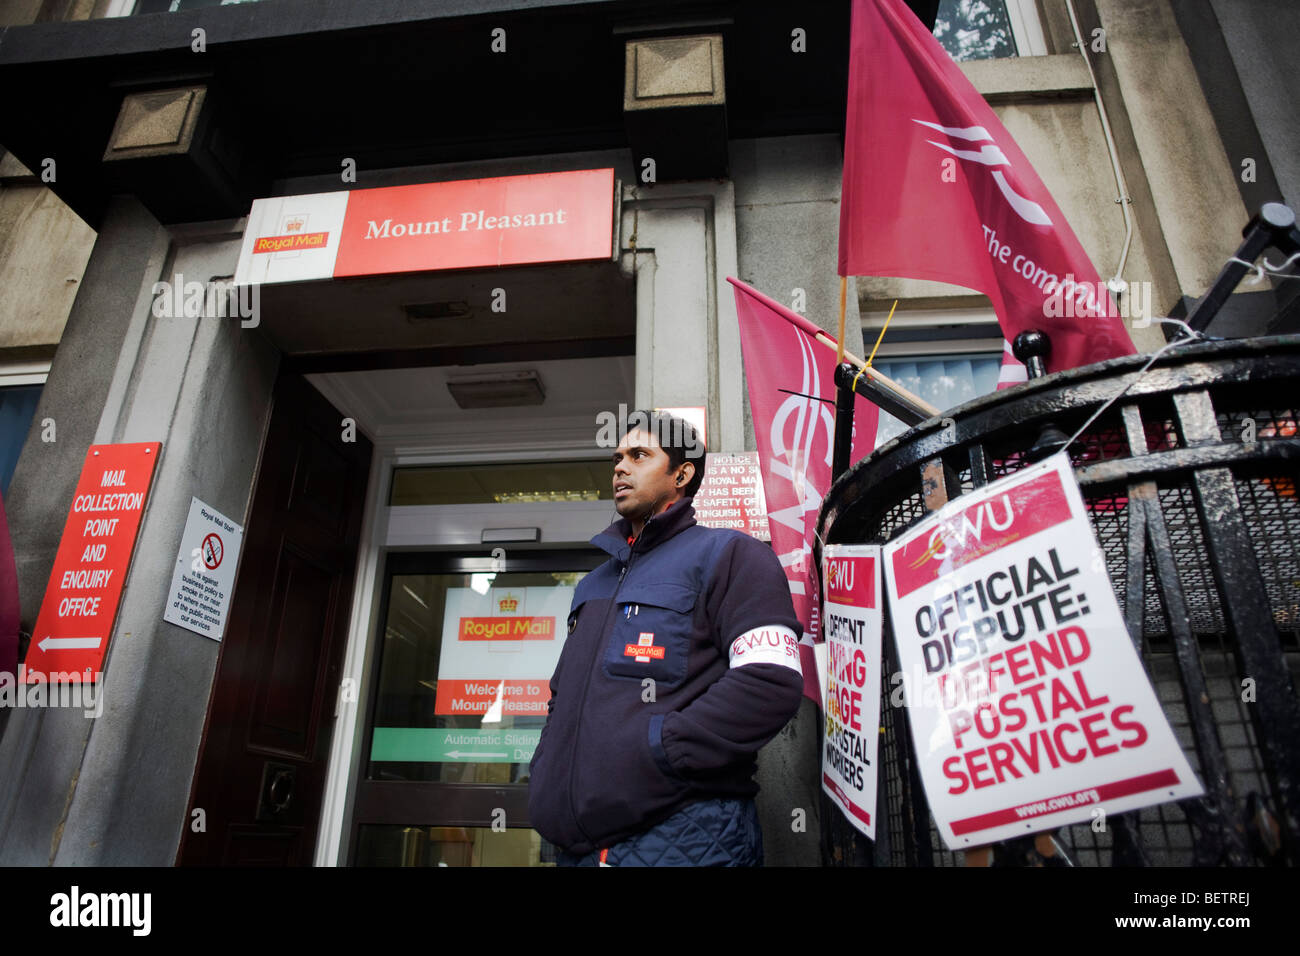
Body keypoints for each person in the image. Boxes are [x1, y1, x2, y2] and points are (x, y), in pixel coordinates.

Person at [528, 409, 804, 866]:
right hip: (575, 850)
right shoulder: (592, 585)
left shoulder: (731, 555)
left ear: (682, 473)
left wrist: (661, 751)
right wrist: (546, 771)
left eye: (639, 455)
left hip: (687, 838)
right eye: (617, 457)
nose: (620, 466)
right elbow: (561, 698)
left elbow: (768, 682)